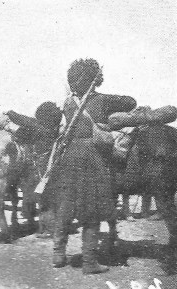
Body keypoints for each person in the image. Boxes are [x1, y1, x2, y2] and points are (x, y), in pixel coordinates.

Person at [47, 58, 136, 274]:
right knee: (92, 208)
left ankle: (58, 255)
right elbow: (131, 102)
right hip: (92, 157)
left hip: (68, 157)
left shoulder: (68, 103)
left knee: (65, 206)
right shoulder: (103, 101)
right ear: (95, 80)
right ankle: (89, 262)